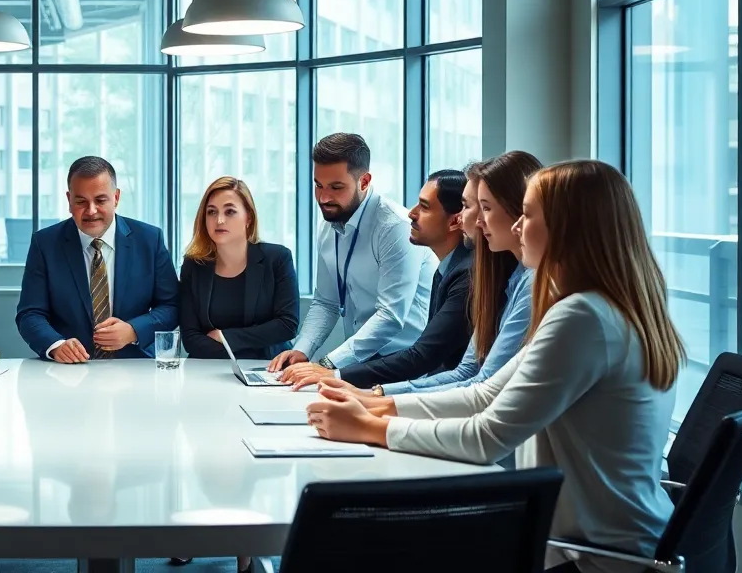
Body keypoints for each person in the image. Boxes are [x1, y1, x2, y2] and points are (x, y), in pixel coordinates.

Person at [307, 160, 684, 573]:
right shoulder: (599, 307)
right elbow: (486, 394)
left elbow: (488, 437)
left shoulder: (583, 318)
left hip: (594, 558)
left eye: (528, 215)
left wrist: (370, 428)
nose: (518, 226)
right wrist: (377, 407)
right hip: (606, 540)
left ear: (566, 227)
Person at [365, 151, 541, 397]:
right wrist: (378, 394)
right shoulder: (510, 277)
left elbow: (483, 386)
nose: (475, 220)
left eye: (483, 207)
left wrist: (378, 398)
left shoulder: (525, 281)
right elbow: (468, 372)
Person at [268, 133, 434, 378]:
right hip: (362, 362)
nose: (323, 198)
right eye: (318, 185)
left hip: (408, 365)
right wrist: (301, 350)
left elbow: (390, 316)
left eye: (336, 187)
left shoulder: (395, 227)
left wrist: (327, 364)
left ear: (364, 181)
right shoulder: (329, 225)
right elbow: (326, 302)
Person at [291, 169, 472, 389]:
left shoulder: (465, 275)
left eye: (424, 207)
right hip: (410, 376)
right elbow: (326, 301)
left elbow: (424, 356)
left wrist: (335, 374)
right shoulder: (446, 268)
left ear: (455, 221)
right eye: (318, 185)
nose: (411, 213)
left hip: (414, 372)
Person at [16, 156, 179, 362]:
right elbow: (30, 313)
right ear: (69, 200)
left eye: (100, 200)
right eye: (81, 201)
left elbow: (171, 306)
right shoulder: (45, 244)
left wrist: (133, 330)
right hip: (69, 370)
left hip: (135, 365)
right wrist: (56, 345)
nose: (91, 211)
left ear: (116, 198)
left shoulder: (150, 239)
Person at [177, 176, 298, 361]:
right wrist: (253, 344)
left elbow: (287, 325)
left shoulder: (277, 258)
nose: (219, 220)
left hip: (266, 367)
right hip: (208, 367)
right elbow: (191, 338)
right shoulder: (194, 265)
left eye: (230, 212)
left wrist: (225, 337)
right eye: (211, 212)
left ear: (248, 217)